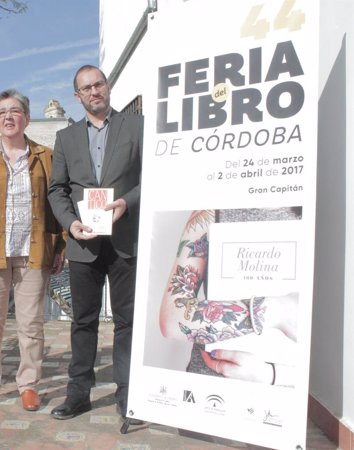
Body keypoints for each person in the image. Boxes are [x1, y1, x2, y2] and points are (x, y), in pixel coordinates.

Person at [0, 89, 65, 411]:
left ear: (27, 118)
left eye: (15, 111)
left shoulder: (46, 156)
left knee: (31, 324)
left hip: (34, 254)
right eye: (2, 111)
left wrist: (60, 246)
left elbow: (59, 202)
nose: (9, 116)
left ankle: (28, 384)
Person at [47, 65, 143, 422]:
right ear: (77, 96)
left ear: (108, 86)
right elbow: (57, 189)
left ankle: (127, 394)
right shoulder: (66, 137)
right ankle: (78, 394)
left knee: (126, 322)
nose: (94, 91)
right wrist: (71, 224)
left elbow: (151, 175)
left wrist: (127, 202)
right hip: (83, 244)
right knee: (83, 321)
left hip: (124, 239)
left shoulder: (137, 126)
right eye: (86, 88)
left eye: (98, 84)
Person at [159, 208, 299, 386]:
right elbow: (172, 320)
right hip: (208, 389)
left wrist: (274, 375)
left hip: (295, 400)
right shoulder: (212, 210)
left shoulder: (321, 208)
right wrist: (279, 311)